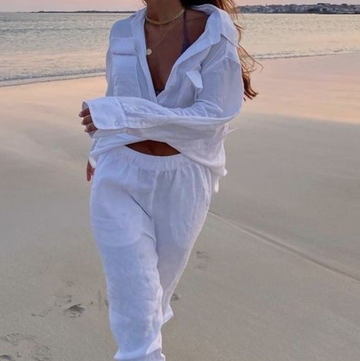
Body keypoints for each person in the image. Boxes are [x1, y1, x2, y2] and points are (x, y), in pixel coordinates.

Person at [79, 1, 258, 360]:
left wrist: (123, 115)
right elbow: (117, 94)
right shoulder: (121, 33)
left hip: (185, 180)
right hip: (118, 174)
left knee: (154, 294)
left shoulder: (213, 30)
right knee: (135, 294)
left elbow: (214, 114)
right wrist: (99, 150)